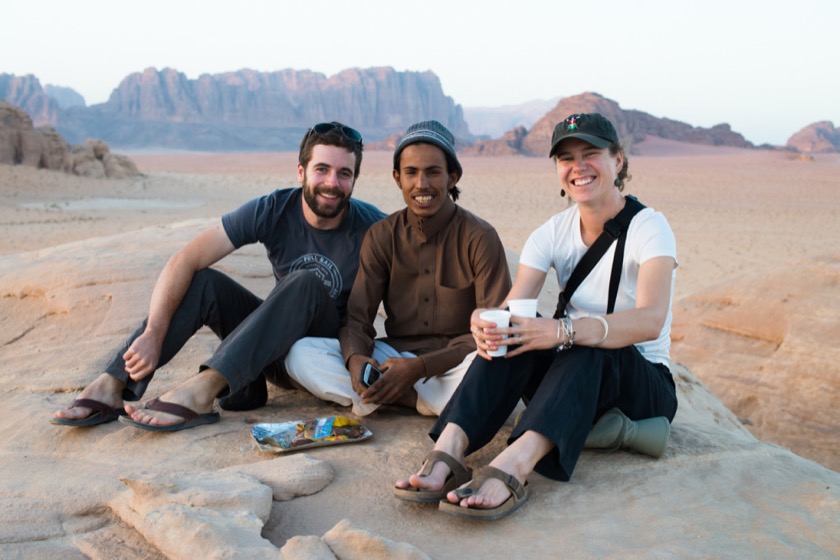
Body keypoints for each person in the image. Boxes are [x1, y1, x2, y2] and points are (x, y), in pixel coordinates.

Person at [394, 112, 679, 520]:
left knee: (584, 342)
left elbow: (650, 319)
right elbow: (514, 306)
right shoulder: (551, 232)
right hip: (575, 380)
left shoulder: (650, 227)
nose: (577, 166)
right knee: (512, 331)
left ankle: (514, 465)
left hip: (642, 384)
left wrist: (563, 330)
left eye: (591, 153)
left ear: (618, 160)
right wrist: (486, 321)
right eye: (566, 158)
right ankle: (449, 450)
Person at [51, 122, 385, 431]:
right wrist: (154, 331)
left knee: (304, 282)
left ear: (355, 179)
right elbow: (186, 258)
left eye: (344, 173)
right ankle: (113, 384)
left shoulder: (373, 227)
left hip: (323, 356)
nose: (332, 183)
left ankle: (204, 388)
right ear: (301, 171)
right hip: (273, 350)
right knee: (204, 282)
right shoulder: (273, 209)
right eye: (322, 170)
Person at [285, 120, 511, 417]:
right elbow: (357, 320)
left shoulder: (480, 237)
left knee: (495, 367)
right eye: (411, 173)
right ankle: (420, 399)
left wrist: (420, 368)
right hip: (395, 357)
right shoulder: (381, 235)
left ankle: (395, 397)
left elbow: (494, 331)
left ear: (452, 177)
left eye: (433, 172)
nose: (422, 184)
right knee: (301, 355)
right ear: (397, 178)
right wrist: (356, 361)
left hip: (457, 362)